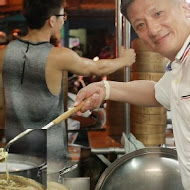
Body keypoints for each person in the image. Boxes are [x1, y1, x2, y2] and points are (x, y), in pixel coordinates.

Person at [0, 0, 135, 186]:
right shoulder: (59, 56)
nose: (64, 20)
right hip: (51, 149)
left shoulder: (3, 53)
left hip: (17, 145)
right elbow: (96, 67)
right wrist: (125, 60)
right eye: (63, 16)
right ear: (51, 21)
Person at [74, 0, 190, 189]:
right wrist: (106, 89)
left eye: (158, 13)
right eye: (140, 25)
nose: (152, 29)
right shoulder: (179, 66)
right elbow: (156, 92)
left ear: (185, 8)